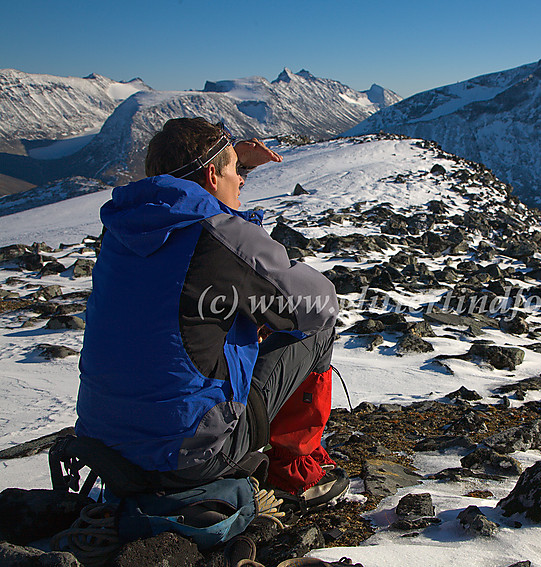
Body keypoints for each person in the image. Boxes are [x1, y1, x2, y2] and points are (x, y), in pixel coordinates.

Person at [76, 117, 348, 510]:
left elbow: (188, 265)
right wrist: (261, 312)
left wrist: (234, 162)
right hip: (189, 454)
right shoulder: (218, 235)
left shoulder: (123, 230)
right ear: (210, 173)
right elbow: (319, 305)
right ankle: (293, 473)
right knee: (316, 330)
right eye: (238, 171)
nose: (242, 181)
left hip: (105, 447)